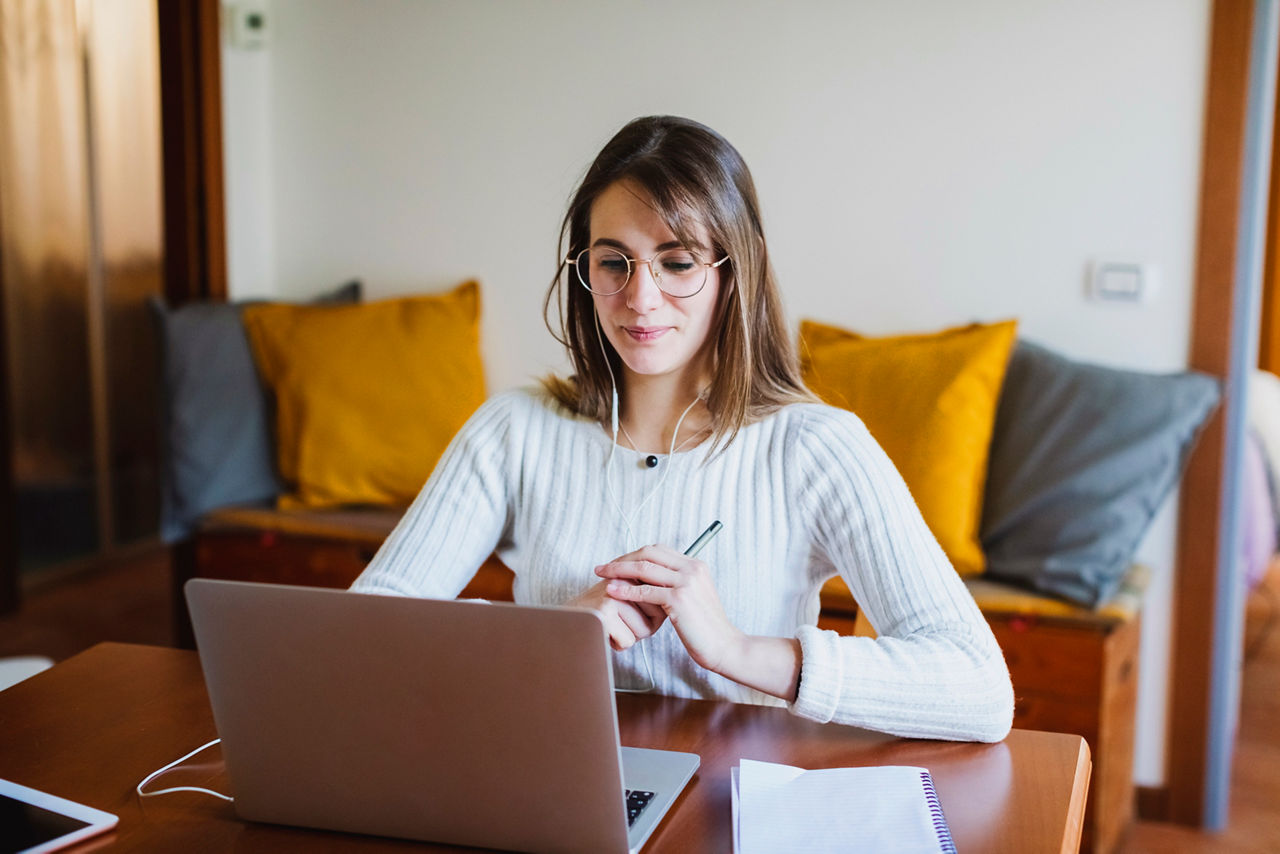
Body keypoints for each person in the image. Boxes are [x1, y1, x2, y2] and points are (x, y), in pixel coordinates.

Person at [351, 115, 1014, 742]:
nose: (640, 298)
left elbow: (979, 690)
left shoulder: (817, 448)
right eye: (613, 262)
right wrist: (554, 639)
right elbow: (362, 640)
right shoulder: (512, 432)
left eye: (677, 262)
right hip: (547, 787)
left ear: (736, 270)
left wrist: (737, 650)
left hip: (733, 804)